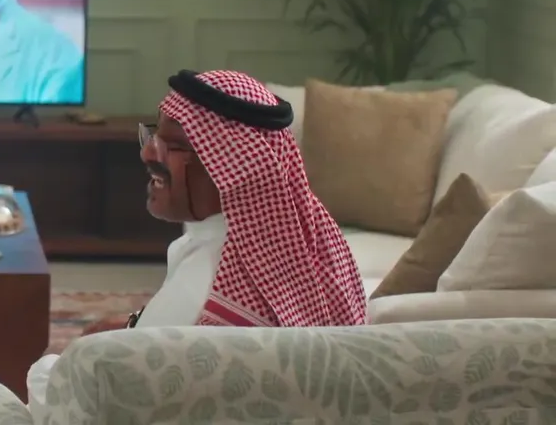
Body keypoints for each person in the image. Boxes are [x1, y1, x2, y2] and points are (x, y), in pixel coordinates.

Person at [26, 69, 367, 415]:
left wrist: (56, 364)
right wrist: (134, 327)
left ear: (233, 167)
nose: (147, 154)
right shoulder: (310, 247)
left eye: (172, 146)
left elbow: (73, 405)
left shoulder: (207, 284)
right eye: (152, 136)